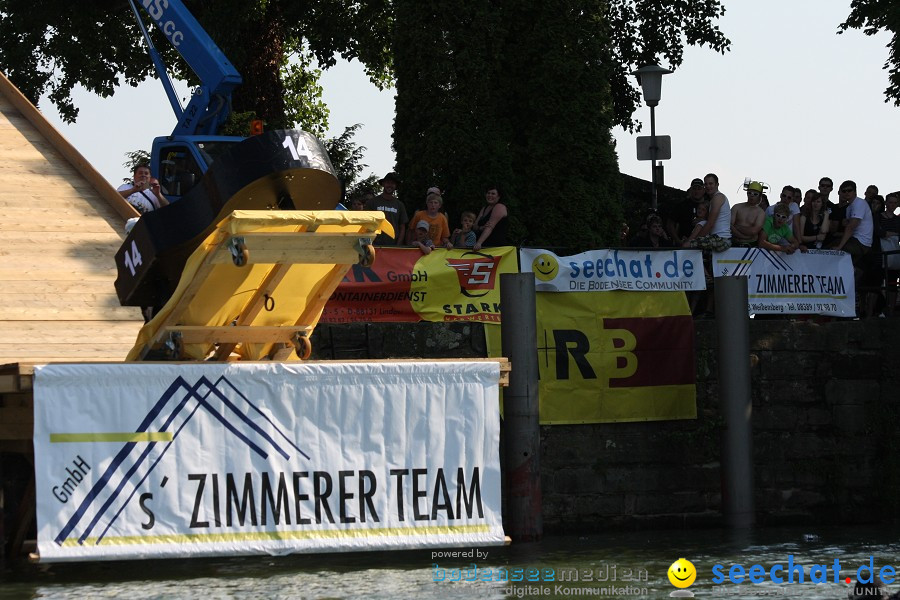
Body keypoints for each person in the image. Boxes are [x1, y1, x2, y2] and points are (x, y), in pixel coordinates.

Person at [832, 180, 874, 281]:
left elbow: (851, 227)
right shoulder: (849, 207)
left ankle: (854, 273)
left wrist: (839, 247)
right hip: (854, 240)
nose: (846, 193)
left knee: (834, 252)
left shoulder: (859, 203)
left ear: (855, 191)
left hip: (861, 243)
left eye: (849, 190)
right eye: (844, 191)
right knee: (829, 247)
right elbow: (847, 224)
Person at [684, 173, 731, 252]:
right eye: (706, 184)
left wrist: (695, 239)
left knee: (686, 246)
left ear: (717, 184)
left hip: (721, 239)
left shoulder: (718, 198)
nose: (708, 186)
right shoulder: (714, 199)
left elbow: (710, 224)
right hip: (716, 238)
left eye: (711, 184)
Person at [365, 172, 408, 246]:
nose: (390, 185)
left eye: (392, 183)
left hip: (393, 247)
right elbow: (366, 224)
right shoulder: (372, 202)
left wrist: (398, 245)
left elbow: (402, 227)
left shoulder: (400, 205)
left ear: (395, 186)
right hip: (374, 245)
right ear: (383, 184)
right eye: (388, 183)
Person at [666, 178, 707, 245]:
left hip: (703, 245)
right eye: (694, 189)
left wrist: (703, 221)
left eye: (699, 189)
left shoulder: (710, 205)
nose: (696, 191)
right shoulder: (682, 205)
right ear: (690, 190)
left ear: (704, 190)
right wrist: (678, 240)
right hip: (684, 245)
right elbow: (670, 224)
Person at [730, 181, 766, 247]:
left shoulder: (760, 213)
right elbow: (729, 226)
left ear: (760, 196)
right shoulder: (736, 207)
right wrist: (745, 237)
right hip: (734, 243)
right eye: (749, 193)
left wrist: (737, 226)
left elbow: (754, 231)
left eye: (755, 194)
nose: (752, 195)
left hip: (751, 245)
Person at [473, 185, 508, 251]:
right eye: (488, 193)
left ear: (499, 196)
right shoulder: (484, 208)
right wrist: (481, 228)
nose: (490, 195)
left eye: (493, 194)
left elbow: (490, 227)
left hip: (495, 247)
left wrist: (479, 243)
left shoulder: (499, 207)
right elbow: (475, 226)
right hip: (482, 247)